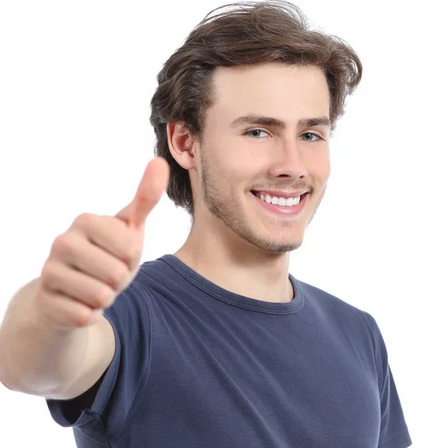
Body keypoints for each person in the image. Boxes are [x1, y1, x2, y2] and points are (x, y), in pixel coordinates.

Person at [0, 1, 412, 447]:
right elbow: (29, 367)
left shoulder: (359, 334)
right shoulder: (132, 315)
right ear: (185, 143)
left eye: (310, 134)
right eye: (258, 131)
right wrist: (52, 311)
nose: (293, 165)